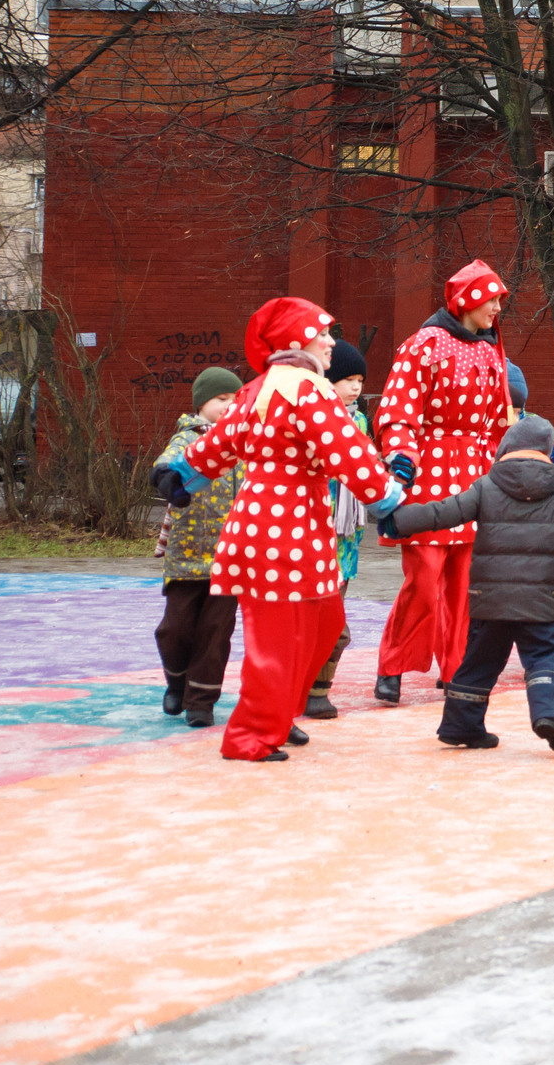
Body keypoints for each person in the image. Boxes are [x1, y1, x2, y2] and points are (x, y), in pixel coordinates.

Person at [170, 298, 401, 763]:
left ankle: (277, 714)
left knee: (324, 623)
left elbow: (220, 442)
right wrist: (389, 501)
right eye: (322, 333)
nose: (331, 342)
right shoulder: (307, 389)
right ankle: (250, 736)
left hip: (286, 529)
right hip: (282, 530)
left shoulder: (260, 388)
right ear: (297, 339)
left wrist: (183, 474)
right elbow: (348, 452)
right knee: (278, 639)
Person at [388, 413, 554, 752]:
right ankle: (549, 715)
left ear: (506, 448)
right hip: (538, 601)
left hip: (489, 599)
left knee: (479, 662)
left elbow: (442, 512)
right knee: (544, 656)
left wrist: (398, 520)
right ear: (547, 451)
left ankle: (460, 726)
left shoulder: (485, 487)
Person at [371, 261, 513, 704]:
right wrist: (401, 459)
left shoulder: (491, 351)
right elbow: (398, 410)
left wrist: (504, 468)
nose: (497, 308)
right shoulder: (424, 344)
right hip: (428, 472)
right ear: (468, 299)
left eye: (499, 300)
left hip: (474, 474)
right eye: (491, 299)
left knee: (466, 584)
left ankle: (457, 670)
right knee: (424, 579)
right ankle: (393, 664)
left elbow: (498, 421)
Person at [146, 369, 244, 725]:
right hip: (187, 554)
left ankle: (202, 702)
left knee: (215, 633)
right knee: (174, 629)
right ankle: (177, 681)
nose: (229, 406)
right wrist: (165, 478)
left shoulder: (244, 443)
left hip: (230, 557)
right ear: (201, 403)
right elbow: (167, 461)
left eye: (235, 400)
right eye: (221, 399)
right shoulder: (189, 438)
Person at [303, 339, 372, 720]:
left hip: (345, 539)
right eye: (347, 379)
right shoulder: (312, 418)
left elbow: (364, 467)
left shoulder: (359, 421)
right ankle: (306, 687)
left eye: (360, 380)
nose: (356, 387)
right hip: (314, 532)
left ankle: (318, 689)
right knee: (320, 622)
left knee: (333, 622)